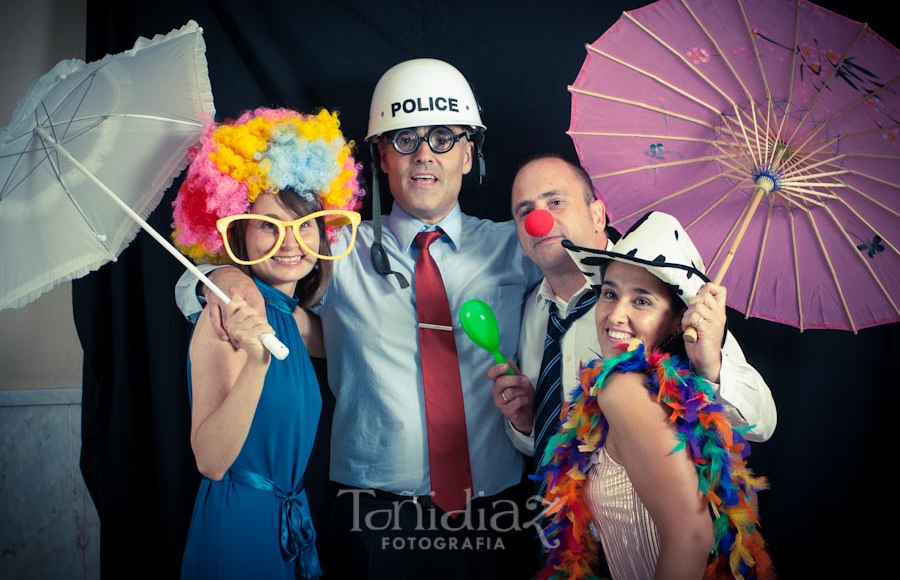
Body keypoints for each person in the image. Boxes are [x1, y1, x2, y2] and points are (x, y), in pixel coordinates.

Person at [174, 59, 544, 580]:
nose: (423, 155)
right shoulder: (334, 246)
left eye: (443, 137)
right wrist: (226, 281)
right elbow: (229, 272)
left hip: (497, 514)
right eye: (404, 138)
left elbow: (587, 283)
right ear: (380, 156)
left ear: (468, 153)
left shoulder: (515, 247)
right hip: (374, 521)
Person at [172, 107, 364, 580]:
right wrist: (256, 360)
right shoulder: (228, 318)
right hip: (238, 528)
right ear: (238, 232)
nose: (290, 241)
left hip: (290, 523)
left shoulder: (300, 323)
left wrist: (216, 275)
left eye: (304, 223)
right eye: (268, 225)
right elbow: (212, 462)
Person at [536, 211, 775, 580]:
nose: (616, 315)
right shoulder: (625, 388)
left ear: (681, 319)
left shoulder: (625, 387)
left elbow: (694, 537)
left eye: (642, 301)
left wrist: (710, 363)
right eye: (610, 293)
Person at [489, 154, 775, 462]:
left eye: (555, 202)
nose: (538, 221)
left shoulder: (667, 294)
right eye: (525, 211)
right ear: (520, 236)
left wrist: (711, 368)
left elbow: (761, 424)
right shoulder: (529, 310)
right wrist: (526, 424)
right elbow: (548, 457)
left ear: (597, 215)